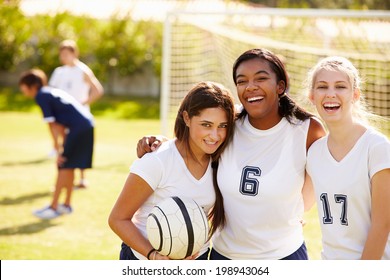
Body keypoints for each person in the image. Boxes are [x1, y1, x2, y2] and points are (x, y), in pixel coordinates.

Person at [137, 48, 326, 259]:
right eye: (241, 81)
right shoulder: (230, 122)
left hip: (284, 255)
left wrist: (296, 211)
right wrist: (159, 143)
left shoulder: (307, 129)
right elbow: (196, 138)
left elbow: (321, 178)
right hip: (225, 256)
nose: (250, 87)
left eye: (261, 78)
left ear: (280, 86)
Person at [108, 81, 236, 260]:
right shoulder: (158, 160)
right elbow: (117, 219)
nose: (215, 136)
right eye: (206, 125)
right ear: (187, 118)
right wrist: (153, 255)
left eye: (222, 126)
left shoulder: (221, 160)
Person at [305, 56, 390, 259]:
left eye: (340, 86)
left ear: (355, 95)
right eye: (322, 87)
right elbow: (299, 206)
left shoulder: (377, 147)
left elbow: (383, 224)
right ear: (312, 96)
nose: (331, 94)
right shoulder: (315, 152)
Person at [19, 69, 95, 219]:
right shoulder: (48, 92)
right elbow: (60, 123)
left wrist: (59, 148)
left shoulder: (41, 96)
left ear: (32, 86)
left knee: (63, 164)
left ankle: (54, 207)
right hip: (86, 124)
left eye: (23, 86)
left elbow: (53, 124)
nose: (22, 89)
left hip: (78, 128)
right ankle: (66, 205)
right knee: (70, 165)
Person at [48, 39, 104, 189]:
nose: (64, 57)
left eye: (67, 54)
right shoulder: (58, 72)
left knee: (80, 146)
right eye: (62, 54)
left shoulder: (83, 70)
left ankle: (82, 178)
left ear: (75, 53)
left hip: (80, 118)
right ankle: (62, 179)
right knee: (63, 147)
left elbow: (98, 90)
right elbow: (51, 93)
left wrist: (81, 104)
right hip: (63, 118)